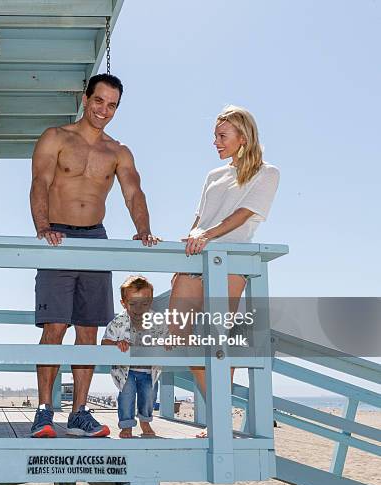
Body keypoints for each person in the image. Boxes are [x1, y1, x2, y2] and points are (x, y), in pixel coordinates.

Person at [29, 74, 160, 438]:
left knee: (88, 330)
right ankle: (43, 411)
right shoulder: (55, 138)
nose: (105, 110)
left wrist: (144, 229)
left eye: (112, 105)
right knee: (55, 326)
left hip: (96, 240)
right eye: (99, 101)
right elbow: (39, 183)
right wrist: (43, 228)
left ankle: (80, 412)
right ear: (86, 98)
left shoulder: (117, 151)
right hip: (58, 235)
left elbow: (134, 193)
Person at [168, 105, 279, 436]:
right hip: (195, 260)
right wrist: (182, 260)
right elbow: (198, 221)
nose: (215, 142)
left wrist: (206, 236)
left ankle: (219, 420)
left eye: (222, 136)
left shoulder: (267, 173)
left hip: (230, 264)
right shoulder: (213, 175)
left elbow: (243, 214)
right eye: (215, 135)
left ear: (243, 137)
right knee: (176, 337)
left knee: (217, 344)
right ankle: (221, 411)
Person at [102, 276, 168, 438]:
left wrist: (167, 343)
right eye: (133, 304)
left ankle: (145, 421)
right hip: (126, 371)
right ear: (124, 303)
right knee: (126, 396)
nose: (139, 309)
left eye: (145, 303)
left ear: (151, 302)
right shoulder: (118, 323)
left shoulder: (157, 321)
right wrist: (117, 344)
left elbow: (167, 338)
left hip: (149, 369)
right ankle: (126, 425)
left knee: (149, 395)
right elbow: (105, 343)